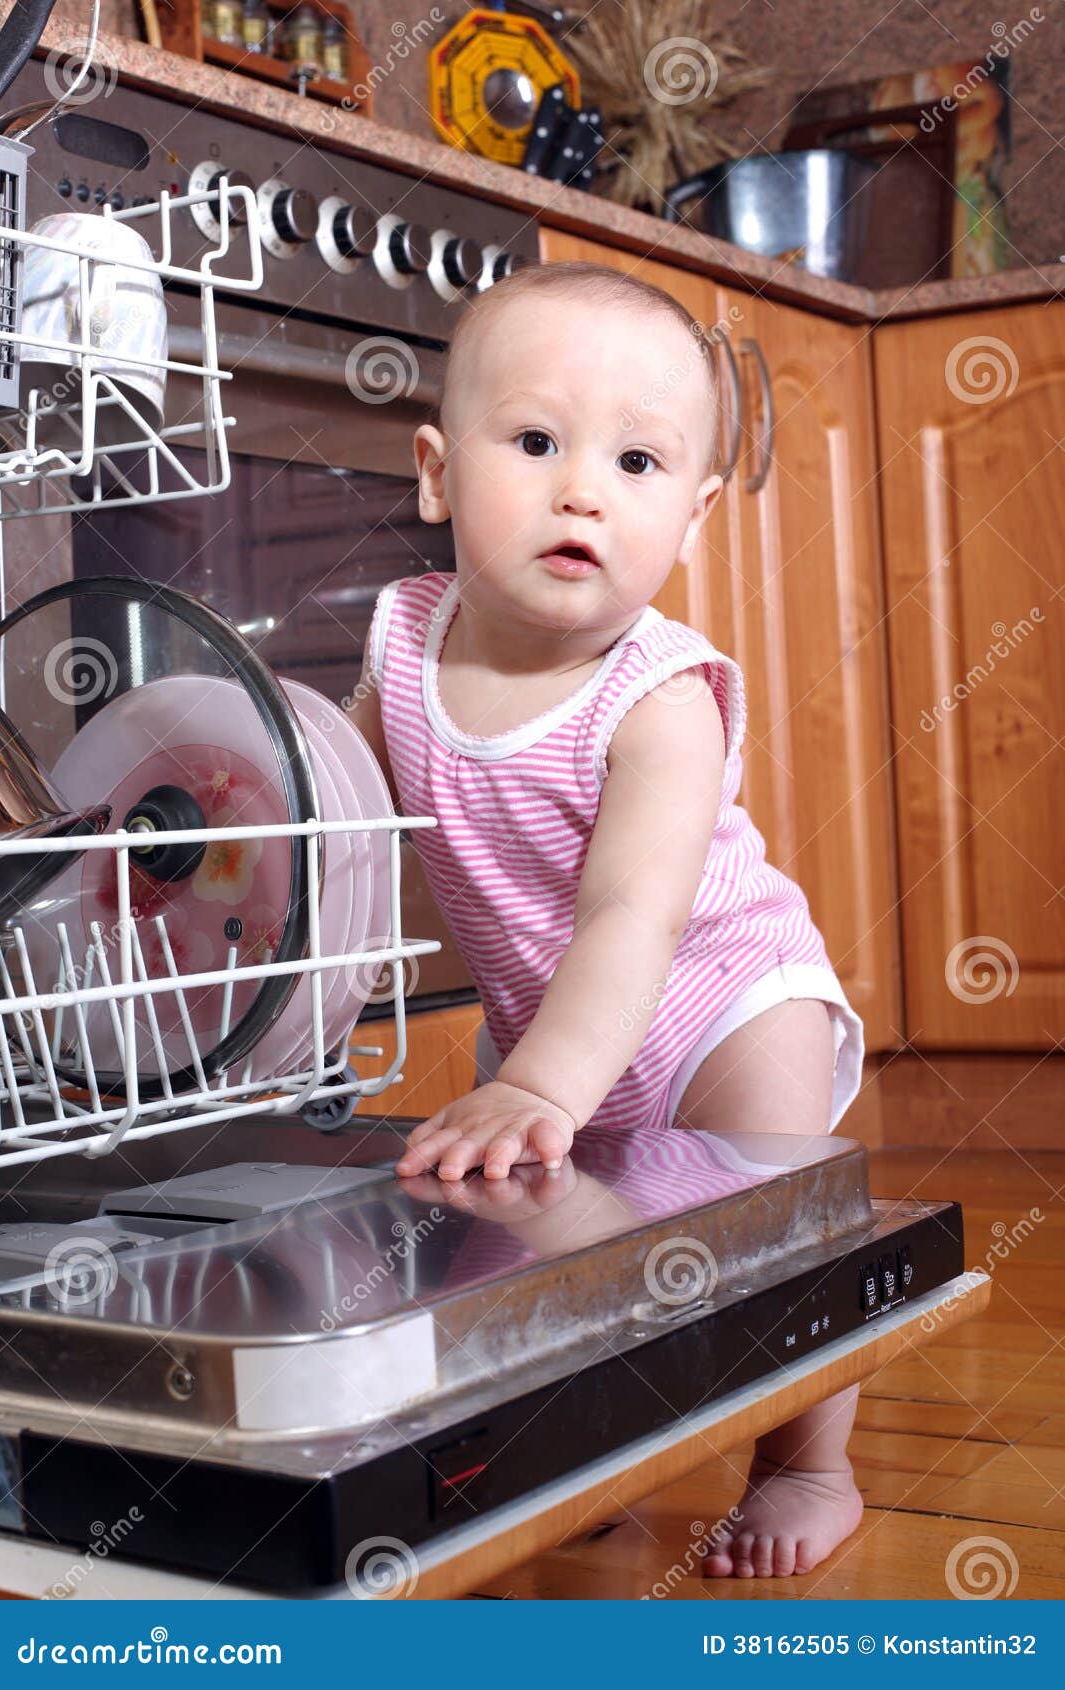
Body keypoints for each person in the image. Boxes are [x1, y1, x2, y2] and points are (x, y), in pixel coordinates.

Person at [348, 261, 866, 1578]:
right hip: (548, 1020)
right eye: (536, 442)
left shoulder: (661, 696)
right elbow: (349, 829)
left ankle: (809, 1459)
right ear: (435, 472)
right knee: (537, 1256)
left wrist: (540, 1080)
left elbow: (635, 914)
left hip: (725, 1002)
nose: (584, 488)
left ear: (690, 517)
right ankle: (583, 1455)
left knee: (776, 1227)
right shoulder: (400, 642)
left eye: (637, 464)